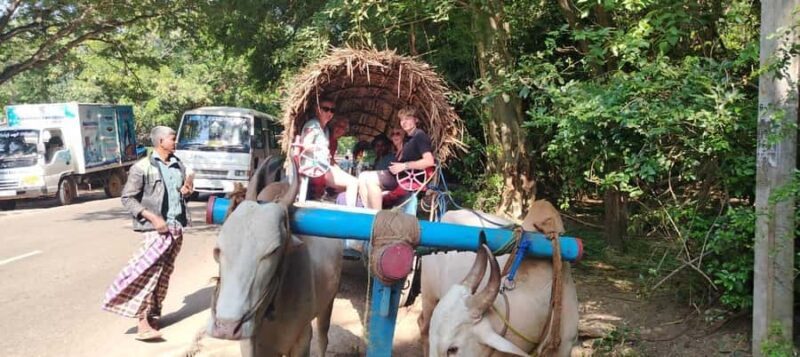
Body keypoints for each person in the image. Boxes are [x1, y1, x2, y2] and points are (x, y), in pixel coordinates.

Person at [102, 126, 194, 341]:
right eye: (172, 138)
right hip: (156, 231)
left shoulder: (177, 164)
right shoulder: (141, 167)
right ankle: (142, 322)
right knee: (146, 274)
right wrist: (153, 218)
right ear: (160, 141)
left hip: (176, 228)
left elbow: (179, 195)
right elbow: (127, 198)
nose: (175, 142)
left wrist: (187, 191)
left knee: (163, 275)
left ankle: (153, 315)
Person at [358, 106, 434, 210]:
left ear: (416, 120)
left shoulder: (419, 136)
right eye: (402, 119)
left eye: (408, 118)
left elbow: (429, 161)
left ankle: (376, 216)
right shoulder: (408, 138)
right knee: (363, 176)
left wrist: (404, 166)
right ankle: (367, 212)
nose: (404, 122)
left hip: (406, 178)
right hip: (399, 175)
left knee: (371, 179)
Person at [299, 97, 358, 206]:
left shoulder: (325, 129)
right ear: (318, 110)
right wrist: (320, 149)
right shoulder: (313, 125)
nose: (329, 112)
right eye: (326, 109)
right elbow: (305, 144)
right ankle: (350, 216)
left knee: (353, 181)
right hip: (315, 167)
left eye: (332, 110)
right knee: (353, 183)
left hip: (323, 166)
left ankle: (339, 205)